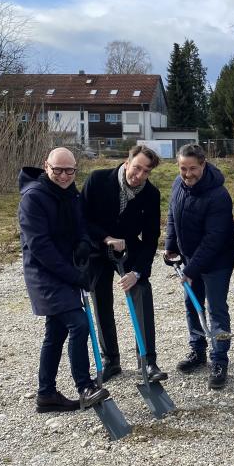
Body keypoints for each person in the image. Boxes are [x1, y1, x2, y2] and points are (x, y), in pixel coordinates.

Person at [18, 147, 109, 413]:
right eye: (58, 170)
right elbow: (40, 247)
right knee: (78, 324)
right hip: (44, 275)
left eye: (70, 170)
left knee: (55, 332)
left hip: (66, 271)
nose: (64, 175)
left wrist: (82, 242)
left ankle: (46, 394)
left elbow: (79, 223)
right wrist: (75, 276)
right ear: (46, 166)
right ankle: (85, 386)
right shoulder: (33, 198)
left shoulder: (71, 193)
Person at [81, 145, 165, 383]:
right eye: (136, 168)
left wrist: (137, 272)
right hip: (98, 250)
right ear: (127, 163)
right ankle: (111, 360)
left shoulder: (151, 194)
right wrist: (105, 238)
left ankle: (147, 361)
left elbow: (150, 240)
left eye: (145, 172)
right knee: (101, 301)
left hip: (129, 251)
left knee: (141, 292)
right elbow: (82, 218)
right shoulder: (97, 180)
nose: (138, 175)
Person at [165, 144, 234, 389]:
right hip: (189, 258)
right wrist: (170, 245)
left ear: (203, 164)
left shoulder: (218, 195)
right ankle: (198, 350)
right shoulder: (178, 183)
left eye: (192, 168)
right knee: (192, 305)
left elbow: (213, 240)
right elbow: (173, 215)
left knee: (216, 310)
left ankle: (219, 359)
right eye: (183, 168)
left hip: (217, 261)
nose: (187, 174)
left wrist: (190, 270)